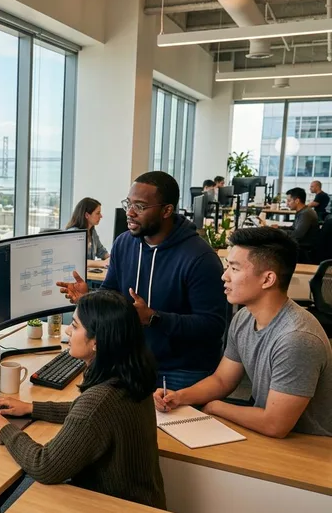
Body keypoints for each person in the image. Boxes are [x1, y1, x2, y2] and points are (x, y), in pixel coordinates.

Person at [0, 290, 165, 509]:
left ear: (97, 342)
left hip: (111, 505)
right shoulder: (131, 376)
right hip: (142, 502)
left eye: (74, 326)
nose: (67, 330)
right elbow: (88, 415)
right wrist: (31, 408)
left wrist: (4, 429)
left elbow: (44, 465)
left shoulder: (99, 401)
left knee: (1, 494)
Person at [155, 228, 332, 438]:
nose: (224, 275)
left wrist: (215, 407)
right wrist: (179, 397)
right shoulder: (244, 317)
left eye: (234, 268)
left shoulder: (297, 338)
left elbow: (275, 424)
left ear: (267, 279)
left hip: (307, 446)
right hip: (266, 432)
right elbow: (223, 380)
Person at [58, 171, 227, 391]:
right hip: (131, 361)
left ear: (167, 210)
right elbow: (112, 293)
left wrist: (154, 318)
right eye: (128, 203)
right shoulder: (124, 243)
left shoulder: (199, 258)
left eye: (140, 206)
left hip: (180, 371)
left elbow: (212, 326)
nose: (129, 212)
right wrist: (89, 297)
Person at [272, 187, 319, 263]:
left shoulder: (306, 213)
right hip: (301, 245)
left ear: (297, 201)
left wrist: (278, 232)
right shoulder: (302, 211)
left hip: (303, 249)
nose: (287, 203)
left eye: (289, 201)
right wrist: (279, 228)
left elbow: (297, 235)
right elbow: (293, 228)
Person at [66, 197, 110, 268]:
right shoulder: (73, 233)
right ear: (87, 215)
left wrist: (112, 259)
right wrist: (103, 263)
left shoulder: (92, 231)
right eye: (97, 213)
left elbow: (102, 252)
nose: (101, 216)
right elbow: (76, 261)